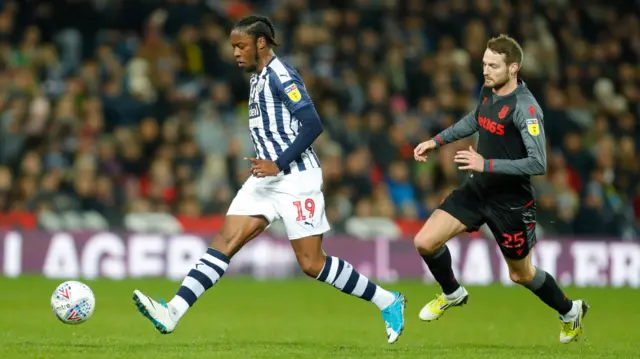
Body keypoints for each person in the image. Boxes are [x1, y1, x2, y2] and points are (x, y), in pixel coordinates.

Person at [132, 15, 406, 344]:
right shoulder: (256, 79)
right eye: (233, 46)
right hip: (265, 179)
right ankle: (173, 311)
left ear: (260, 43)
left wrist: (278, 163)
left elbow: (312, 124)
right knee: (225, 241)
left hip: (296, 179)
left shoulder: (281, 75)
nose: (235, 52)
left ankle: (388, 301)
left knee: (312, 264)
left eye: (241, 46)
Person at [412, 34, 588, 344]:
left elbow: (538, 164)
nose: (486, 70)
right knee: (425, 241)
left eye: (493, 65)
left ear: (513, 68)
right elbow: (475, 119)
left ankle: (570, 311)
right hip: (478, 191)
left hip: (510, 204)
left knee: (521, 275)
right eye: (484, 64)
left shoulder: (526, 109)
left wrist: (485, 164)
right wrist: (436, 141)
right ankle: (452, 292)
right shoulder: (488, 90)